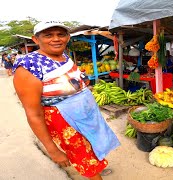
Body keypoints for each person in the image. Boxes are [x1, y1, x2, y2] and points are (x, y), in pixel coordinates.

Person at [12, 21, 120, 180]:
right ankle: (94, 172)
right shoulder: (29, 67)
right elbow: (33, 114)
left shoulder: (63, 56)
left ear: (68, 37)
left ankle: (97, 165)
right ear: (36, 39)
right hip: (66, 123)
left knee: (92, 145)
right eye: (48, 35)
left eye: (60, 34)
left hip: (85, 116)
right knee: (84, 158)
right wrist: (52, 150)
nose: (56, 39)